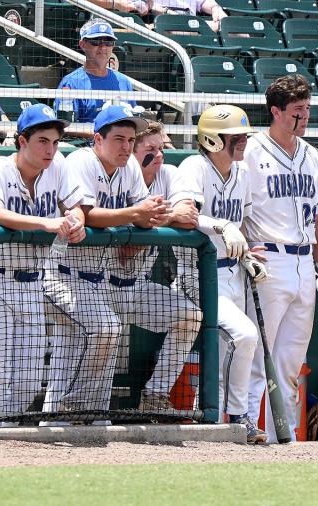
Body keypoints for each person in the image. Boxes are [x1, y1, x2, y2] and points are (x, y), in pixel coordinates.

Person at [43, 105, 167, 418]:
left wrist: (146, 217)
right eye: (118, 139)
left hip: (99, 280)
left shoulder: (129, 169)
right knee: (104, 330)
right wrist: (134, 216)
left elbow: (143, 216)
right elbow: (86, 214)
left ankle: (83, 419)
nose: (126, 146)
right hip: (62, 275)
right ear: (98, 139)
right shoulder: (81, 161)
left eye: (130, 140)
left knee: (88, 349)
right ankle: (66, 410)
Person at [243, 75, 318, 443]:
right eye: (297, 110)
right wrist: (243, 247)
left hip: (304, 265)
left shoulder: (311, 154)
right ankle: (246, 434)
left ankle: (277, 439)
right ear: (276, 111)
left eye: (307, 108)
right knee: (259, 358)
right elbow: (239, 207)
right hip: (270, 259)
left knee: (289, 363)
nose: (304, 116)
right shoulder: (252, 151)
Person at [0, 104, 85, 423]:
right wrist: (45, 223)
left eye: (55, 142)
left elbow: (76, 206)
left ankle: (8, 436)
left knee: (31, 378)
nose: (51, 149)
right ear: (22, 141)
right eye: (43, 141)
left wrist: (77, 221)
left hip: (34, 283)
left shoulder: (58, 165)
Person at [177, 104, 270, 441]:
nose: (244, 141)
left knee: (224, 349)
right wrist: (219, 224)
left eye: (245, 135)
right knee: (243, 336)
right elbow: (182, 213)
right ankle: (239, 415)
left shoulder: (242, 173)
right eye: (237, 136)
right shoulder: (194, 166)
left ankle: (215, 425)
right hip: (199, 274)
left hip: (233, 274)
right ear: (214, 140)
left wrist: (246, 253)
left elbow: (241, 225)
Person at [123, 119, 203, 412]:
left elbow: (189, 216)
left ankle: (154, 396)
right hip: (96, 284)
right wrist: (162, 215)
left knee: (190, 316)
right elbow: (128, 236)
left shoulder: (168, 174)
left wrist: (153, 217)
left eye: (162, 148)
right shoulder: (122, 173)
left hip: (136, 287)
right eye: (150, 149)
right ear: (132, 150)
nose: (159, 155)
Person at [57, 19, 136, 125]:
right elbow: (66, 126)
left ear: (113, 46)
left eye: (108, 42)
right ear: (83, 44)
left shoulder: (123, 81)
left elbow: (133, 119)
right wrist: (104, 133)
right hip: (89, 141)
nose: (103, 47)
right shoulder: (71, 83)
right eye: (96, 41)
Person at [148, 0, 229, 32]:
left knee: (230, 25)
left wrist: (216, 9)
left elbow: (207, 3)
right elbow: (147, 6)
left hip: (195, 28)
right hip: (167, 30)